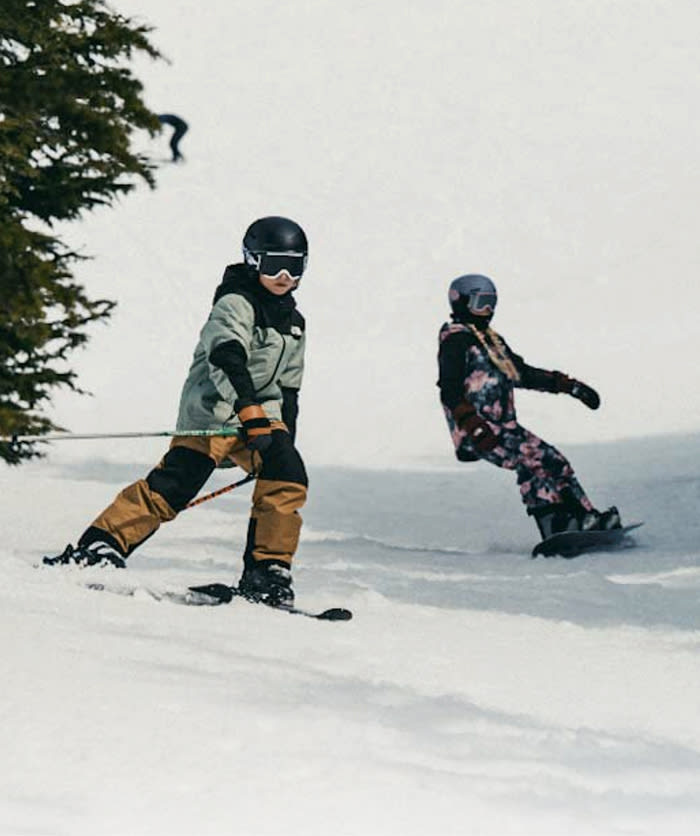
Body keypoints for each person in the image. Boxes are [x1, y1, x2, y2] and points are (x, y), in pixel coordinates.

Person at [45, 217, 310, 606]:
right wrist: (247, 407)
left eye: (295, 266)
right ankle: (100, 545)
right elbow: (226, 353)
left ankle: (267, 570)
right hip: (214, 413)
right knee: (177, 484)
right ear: (253, 262)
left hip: (261, 417)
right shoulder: (235, 303)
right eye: (273, 265)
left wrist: (281, 438)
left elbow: (288, 388)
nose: (284, 276)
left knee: (288, 473)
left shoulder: (294, 323)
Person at [437, 274, 622, 541]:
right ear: (462, 303)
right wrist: (471, 425)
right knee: (531, 463)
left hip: (504, 427)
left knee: (553, 459)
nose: (487, 310)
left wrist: (569, 386)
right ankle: (555, 524)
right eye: (481, 303)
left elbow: (521, 373)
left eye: (492, 303)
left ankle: (585, 516)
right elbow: (449, 389)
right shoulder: (456, 340)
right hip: (477, 430)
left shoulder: (491, 340)